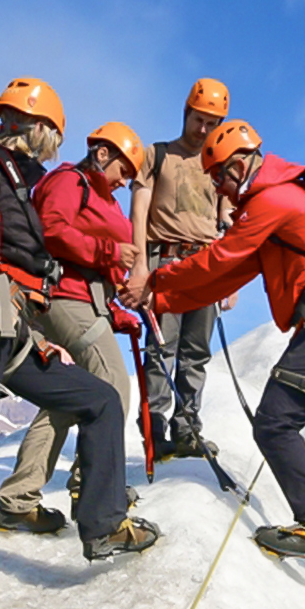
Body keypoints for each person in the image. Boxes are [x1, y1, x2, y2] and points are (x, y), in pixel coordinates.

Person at [0, 79, 161, 609]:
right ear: (36, 129)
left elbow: (19, 268)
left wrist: (37, 332)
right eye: (53, 134)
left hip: (16, 334)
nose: (56, 148)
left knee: (100, 399)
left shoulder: (15, 186)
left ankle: (102, 525)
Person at [136, 121, 305, 597]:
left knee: (273, 423)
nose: (219, 188)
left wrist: (156, 282)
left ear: (238, 165)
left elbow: (218, 259)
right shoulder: (287, 202)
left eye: (219, 176)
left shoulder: (274, 199)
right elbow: (230, 275)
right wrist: (161, 301)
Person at [0, 122, 146, 532]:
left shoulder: (102, 197)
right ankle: (94, 488)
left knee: (69, 397)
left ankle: (18, 498)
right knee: (113, 384)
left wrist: (114, 309)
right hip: (62, 299)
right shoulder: (68, 180)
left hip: (82, 301)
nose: (124, 181)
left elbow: (95, 262)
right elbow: (52, 229)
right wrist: (111, 250)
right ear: (102, 154)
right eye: (123, 170)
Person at [123, 78, 237, 460]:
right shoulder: (156, 154)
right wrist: (139, 266)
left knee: (196, 351)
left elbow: (226, 219)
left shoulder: (219, 164)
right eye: (198, 120)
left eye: (211, 123)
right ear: (186, 114)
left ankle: (188, 429)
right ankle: (154, 429)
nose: (203, 130)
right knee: (160, 347)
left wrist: (231, 278)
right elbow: (138, 212)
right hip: (164, 260)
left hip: (206, 263)